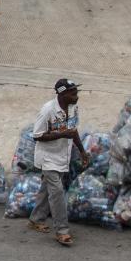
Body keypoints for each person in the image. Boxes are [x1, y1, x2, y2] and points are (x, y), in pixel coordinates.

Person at [27, 78, 86, 247]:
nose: (76, 96)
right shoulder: (47, 110)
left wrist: (82, 151)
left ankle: (35, 219)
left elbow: (73, 131)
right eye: (73, 93)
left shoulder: (73, 108)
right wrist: (61, 135)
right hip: (48, 158)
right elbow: (37, 135)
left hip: (63, 156)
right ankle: (62, 231)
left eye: (76, 92)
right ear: (62, 94)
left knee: (47, 189)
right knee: (57, 192)